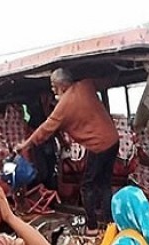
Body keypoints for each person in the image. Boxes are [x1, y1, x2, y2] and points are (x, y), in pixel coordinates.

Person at [15, 68, 119, 235]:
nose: (52, 89)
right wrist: (116, 68)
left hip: (98, 146)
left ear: (61, 85)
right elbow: (108, 79)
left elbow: (45, 129)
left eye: (53, 86)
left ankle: (92, 227)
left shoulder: (63, 106)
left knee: (87, 187)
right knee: (105, 183)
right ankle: (109, 223)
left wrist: (25, 144)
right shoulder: (86, 85)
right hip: (113, 140)